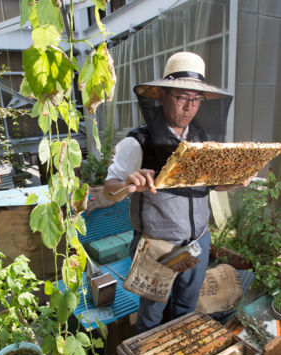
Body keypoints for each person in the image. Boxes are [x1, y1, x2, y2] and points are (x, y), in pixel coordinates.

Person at [104, 51, 253, 334]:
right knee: (151, 312)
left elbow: (209, 183)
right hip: (157, 247)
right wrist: (129, 182)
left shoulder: (202, 141)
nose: (189, 107)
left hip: (198, 240)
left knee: (186, 305)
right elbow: (110, 191)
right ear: (161, 95)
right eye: (182, 97)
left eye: (196, 99)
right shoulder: (138, 143)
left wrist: (232, 181)